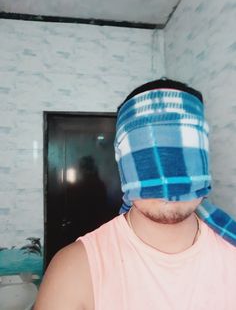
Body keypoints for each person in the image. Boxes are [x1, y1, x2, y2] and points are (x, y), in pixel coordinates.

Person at [34, 79, 236, 310]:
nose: (165, 180)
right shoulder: (75, 272)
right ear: (122, 162)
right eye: (145, 154)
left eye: (182, 144)